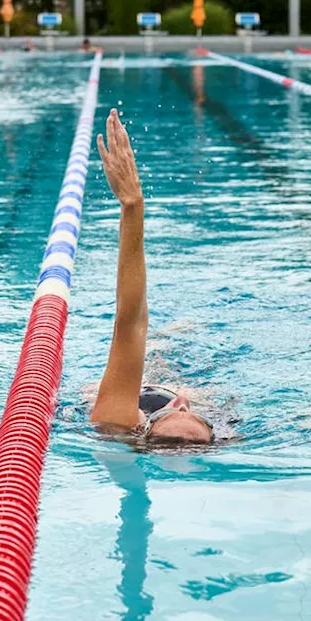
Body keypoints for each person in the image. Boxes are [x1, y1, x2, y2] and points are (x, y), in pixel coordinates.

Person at [89, 109, 214, 444]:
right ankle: (172, 338)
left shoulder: (117, 421)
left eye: (177, 412)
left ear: (142, 427)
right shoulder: (211, 415)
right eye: (193, 415)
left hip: (144, 395)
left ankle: (168, 339)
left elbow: (130, 323)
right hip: (177, 393)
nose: (184, 405)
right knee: (193, 384)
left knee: (149, 353)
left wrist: (132, 204)